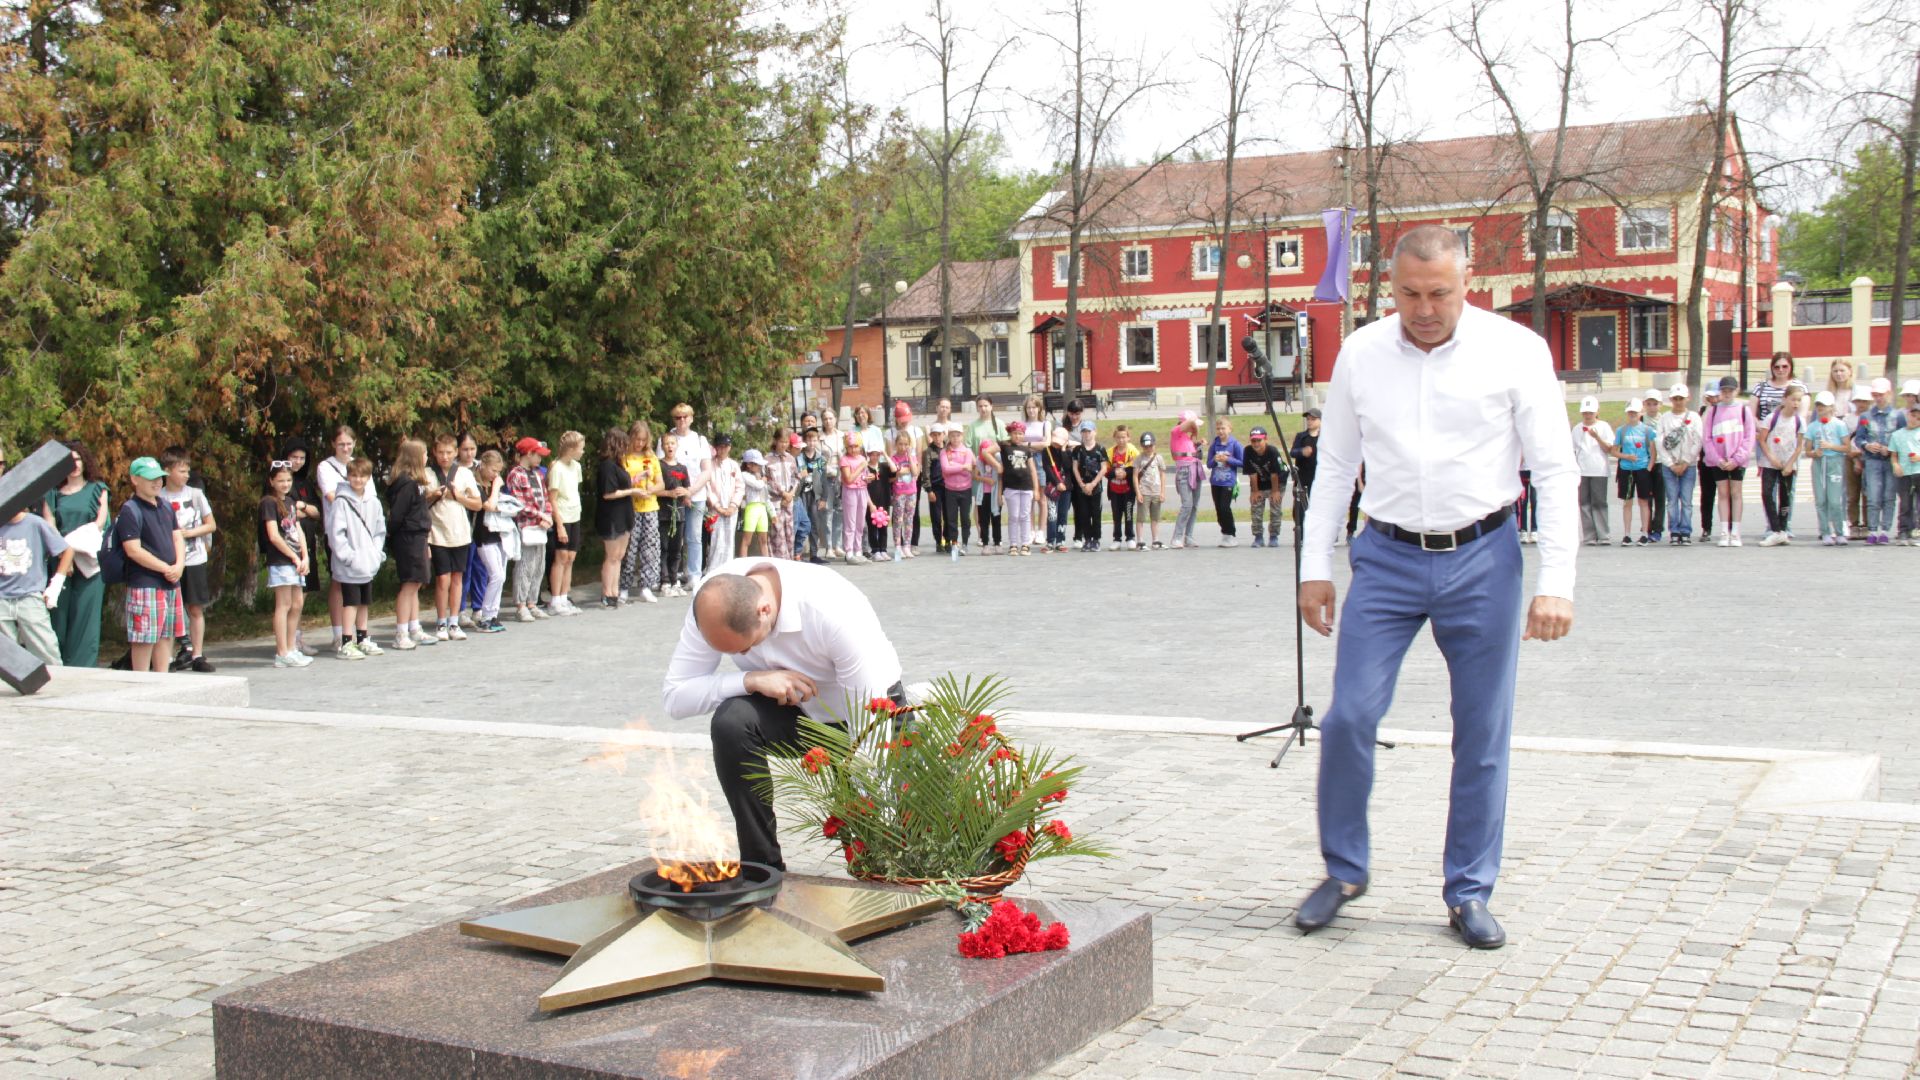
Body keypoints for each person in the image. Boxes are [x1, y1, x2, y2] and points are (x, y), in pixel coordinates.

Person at [1295, 224, 1577, 950]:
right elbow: (1334, 467)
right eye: (1410, 294)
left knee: (1482, 731)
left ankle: (1469, 889)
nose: (1424, 309)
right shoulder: (1361, 352)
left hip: (1484, 556)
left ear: (1467, 280)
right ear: (1390, 287)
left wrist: (1558, 582)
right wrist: (1314, 567)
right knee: (1348, 717)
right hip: (1385, 558)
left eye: (1440, 294)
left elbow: (1554, 470)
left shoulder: (1516, 351)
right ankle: (1344, 869)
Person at [662, 559, 904, 869]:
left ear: (764, 610)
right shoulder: (714, 599)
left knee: (875, 854)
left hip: (869, 716)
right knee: (731, 721)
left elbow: (870, 737)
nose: (741, 656)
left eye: (746, 648)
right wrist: (750, 680)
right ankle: (761, 870)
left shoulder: (832, 609)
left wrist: (874, 828)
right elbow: (675, 698)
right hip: (800, 714)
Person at [41, 440, 109, 667]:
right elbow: (49, 524)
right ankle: (56, 663)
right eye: (69, 461)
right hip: (60, 561)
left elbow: (100, 522)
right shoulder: (52, 493)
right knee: (58, 615)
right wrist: (64, 555)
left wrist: (75, 548)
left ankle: (83, 666)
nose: (75, 465)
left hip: (89, 559)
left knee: (86, 616)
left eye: (78, 459)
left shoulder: (98, 488)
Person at [1, 467, 72, 667]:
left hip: (29, 596)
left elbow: (66, 551)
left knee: (47, 651)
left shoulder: (35, 523)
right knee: (7, 657)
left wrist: (55, 584)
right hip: (1, 597)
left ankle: (58, 687)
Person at [158, 448, 218, 669]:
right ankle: (170, 655)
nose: (186, 475)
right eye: (181, 471)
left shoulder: (195, 494)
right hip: (169, 561)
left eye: (187, 470)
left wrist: (189, 533)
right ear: (167, 471)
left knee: (195, 607)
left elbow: (211, 524)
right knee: (170, 609)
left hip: (194, 558)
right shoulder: (160, 497)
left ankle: (197, 654)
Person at [327, 457, 387, 657]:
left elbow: (380, 530)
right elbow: (336, 534)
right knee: (350, 602)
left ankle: (362, 638)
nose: (358, 480)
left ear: (368, 478)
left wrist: (376, 554)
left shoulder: (374, 502)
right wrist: (349, 557)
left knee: (364, 602)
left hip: (368, 563)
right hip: (350, 565)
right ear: (348, 476)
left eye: (362, 476)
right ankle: (346, 641)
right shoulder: (341, 501)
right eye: (353, 475)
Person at [424, 435, 482, 638]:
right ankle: (441, 622)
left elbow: (477, 504)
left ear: (456, 452)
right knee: (442, 579)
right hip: (437, 534)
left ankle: (454, 622)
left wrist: (458, 496)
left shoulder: (464, 473)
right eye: (441, 452)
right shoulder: (427, 473)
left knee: (457, 578)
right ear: (434, 452)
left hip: (461, 534)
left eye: (449, 452)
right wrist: (432, 495)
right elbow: (417, 502)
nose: (445, 456)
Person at [260, 460, 311, 669]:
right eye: (280, 480)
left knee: (297, 603)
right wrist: (293, 556)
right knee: (284, 604)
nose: (285, 484)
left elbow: (298, 530)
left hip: (296, 559)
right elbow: (274, 535)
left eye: (288, 480)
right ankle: (281, 652)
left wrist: (305, 556)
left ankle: (291, 648)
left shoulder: (290, 501)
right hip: (281, 560)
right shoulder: (268, 503)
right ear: (272, 481)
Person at [385, 439, 434, 649]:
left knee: (416, 584)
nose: (427, 458)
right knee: (408, 584)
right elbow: (397, 516)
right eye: (424, 454)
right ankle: (401, 632)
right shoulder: (406, 483)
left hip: (419, 537)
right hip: (408, 538)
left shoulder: (417, 483)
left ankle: (414, 627)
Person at [315, 426, 357, 653]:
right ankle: (338, 633)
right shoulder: (326, 467)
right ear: (334, 444)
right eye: (341, 444)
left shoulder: (358, 464)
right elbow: (332, 495)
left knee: (359, 580)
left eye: (349, 443)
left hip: (359, 532)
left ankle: (357, 631)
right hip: (337, 531)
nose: (345, 448)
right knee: (339, 581)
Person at [1703, 375, 1755, 547]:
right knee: (1723, 494)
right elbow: (1707, 438)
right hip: (1718, 460)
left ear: (1736, 390)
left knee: (1736, 493)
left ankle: (1736, 532)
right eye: (1724, 390)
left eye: (1730, 390)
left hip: (1737, 460)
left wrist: (1737, 458)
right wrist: (1717, 459)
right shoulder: (1714, 411)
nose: (1727, 393)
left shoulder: (1743, 410)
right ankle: (1724, 530)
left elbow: (1749, 437)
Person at [506, 438, 554, 622]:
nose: (540, 460)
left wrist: (547, 516)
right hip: (525, 525)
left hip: (541, 526)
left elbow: (546, 497)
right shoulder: (515, 474)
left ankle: (533, 602)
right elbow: (519, 503)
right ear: (528, 454)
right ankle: (521, 605)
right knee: (525, 564)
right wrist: (539, 515)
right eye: (538, 455)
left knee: (539, 565)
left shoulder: (538, 474)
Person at [1854, 377, 1905, 545]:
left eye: (1881, 394)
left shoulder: (1898, 416)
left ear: (1889, 394)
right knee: (1873, 496)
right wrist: (1867, 445)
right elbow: (1859, 438)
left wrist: (1890, 449)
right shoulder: (1865, 416)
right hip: (1872, 461)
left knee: (1889, 496)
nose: (1878, 398)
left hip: (1890, 461)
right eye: (1875, 395)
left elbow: (1902, 438)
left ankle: (1885, 530)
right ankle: (1873, 529)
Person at [620, 421, 665, 603]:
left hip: (650, 506)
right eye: (636, 439)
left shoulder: (652, 458)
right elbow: (621, 481)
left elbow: (661, 483)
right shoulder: (625, 457)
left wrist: (652, 489)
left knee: (651, 547)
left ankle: (646, 586)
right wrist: (635, 481)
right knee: (630, 548)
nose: (639, 443)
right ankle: (624, 586)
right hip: (631, 506)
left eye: (643, 440)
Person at [667, 405, 712, 585]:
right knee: (674, 537)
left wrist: (690, 491)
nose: (682, 420)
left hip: (697, 495)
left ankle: (694, 574)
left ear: (692, 418)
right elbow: (664, 467)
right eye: (678, 417)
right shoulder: (668, 439)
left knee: (694, 537)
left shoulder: (700, 440)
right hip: (674, 495)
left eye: (685, 416)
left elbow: (707, 470)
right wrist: (680, 491)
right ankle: (672, 575)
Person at [1757, 383, 1806, 546]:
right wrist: (1771, 458)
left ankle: (1782, 530)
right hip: (1771, 463)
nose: (1796, 403)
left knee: (1785, 496)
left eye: (1799, 400)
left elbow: (1799, 446)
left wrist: (1790, 464)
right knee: (1767, 493)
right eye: (1793, 399)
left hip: (1788, 464)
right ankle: (1775, 529)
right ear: (1784, 399)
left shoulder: (1799, 421)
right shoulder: (1772, 418)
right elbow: (1762, 440)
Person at [594, 427, 637, 607]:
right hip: (611, 515)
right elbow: (609, 493)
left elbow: (623, 485)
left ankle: (615, 591)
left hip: (624, 514)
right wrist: (633, 490)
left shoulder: (618, 464)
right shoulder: (607, 465)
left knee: (619, 556)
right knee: (611, 556)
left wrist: (635, 481)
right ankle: (607, 593)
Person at [1657, 384, 1703, 545]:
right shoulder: (1664, 418)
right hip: (1669, 465)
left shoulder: (1694, 418)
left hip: (1688, 465)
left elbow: (1698, 441)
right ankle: (1674, 530)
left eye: (1681, 399)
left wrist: (1686, 461)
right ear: (1671, 399)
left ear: (1687, 399)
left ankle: (1686, 530)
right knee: (1672, 499)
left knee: (1687, 499)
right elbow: (1660, 442)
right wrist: (1670, 464)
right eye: (1675, 399)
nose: (1678, 402)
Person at [469, 451, 509, 632]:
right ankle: (484, 615)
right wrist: (496, 488)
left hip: (499, 534)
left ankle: (493, 614)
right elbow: (489, 506)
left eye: (499, 471)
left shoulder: (495, 483)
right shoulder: (476, 485)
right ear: (483, 466)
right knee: (496, 575)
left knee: (502, 576)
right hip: (483, 537)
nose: (496, 475)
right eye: (493, 470)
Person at [546, 431, 586, 615]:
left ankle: (564, 597)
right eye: (581, 448)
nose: (583, 451)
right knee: (560, 558)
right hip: (562, 517)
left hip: (574, 515)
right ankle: (555, 600)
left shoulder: (576, 467)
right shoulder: (557, 468)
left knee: (571, 558)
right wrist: (559, 525)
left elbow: (574, 490)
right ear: (571, 448)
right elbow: (552, 498)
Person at [1805, 391, 1852, 545]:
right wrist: (1815, 453)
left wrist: (1831, 446)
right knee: (1821, 499)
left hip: (1835, 462)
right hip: (1819, 464)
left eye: (1824, 405)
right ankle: (1825, 531)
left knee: (1835, 500)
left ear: (1831, 407)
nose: (1820, 408)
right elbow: (1807, 450)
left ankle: (1839, 532)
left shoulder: (1839, 425)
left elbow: (1846, 447)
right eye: (1818, 405)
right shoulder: (1812, 426)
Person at [1608, 402, 1654, 546]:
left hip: (1642, 469)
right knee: (1627, 502)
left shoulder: (1647, 430)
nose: (1632, 414)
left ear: (1640, 412)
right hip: (1626, 469)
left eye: (1635, 412)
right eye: (1630, 412)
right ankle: (1627, 534)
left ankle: (1645, 533)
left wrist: (1649, 468)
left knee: (1643, 501)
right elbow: (1614, 450)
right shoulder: (1622, 431)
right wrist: (1626, 456)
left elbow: (1653, 451)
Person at [1570, 396, 1613, 546]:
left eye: (1591, 413)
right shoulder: (1577, 429)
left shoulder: (1604, 426)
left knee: (1599, 502)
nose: (1588, 416)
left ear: (1596, 412)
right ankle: (1589, 535)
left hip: (1599, 469)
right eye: (1585, 413)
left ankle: (1603, 534)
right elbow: (1572, 450)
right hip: (1582, 470)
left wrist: (1597, 437)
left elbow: (1609, 448)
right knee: (1584, 502)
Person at [1243, 425, 1288, 549]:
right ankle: (1258, 536)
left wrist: (1275, 491)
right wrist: (1255, 491)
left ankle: (1274, 536)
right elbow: (1252, 474)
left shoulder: (1272, 451)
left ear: (1265, 439)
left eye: (1259, 440)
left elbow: (1275, 474)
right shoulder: (1248, 451)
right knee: (1256, 507)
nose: (1256, 443)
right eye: (1253, 440)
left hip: (1278, 481)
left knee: (1275, 507)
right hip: (1260, 481)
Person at [658, 434, 693, 590]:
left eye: (672, 443)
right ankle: (664, 579)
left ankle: (674, 578)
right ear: (662, 446)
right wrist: (669, 493)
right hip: (663, 512)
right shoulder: (659, 465)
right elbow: (655, 490)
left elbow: (688, 489)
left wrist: (685, 492)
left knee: (676, 548)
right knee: (663, 547)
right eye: (666, 444)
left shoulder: (682, 468)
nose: (670, 446)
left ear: (677, 445)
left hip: (679, 513)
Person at [705, 433, 743, 572]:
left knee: (729, 540)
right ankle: (713, 569)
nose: (722, 449)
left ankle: (728, 569)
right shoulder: (710, 464)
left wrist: (733, 505)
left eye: (725, 446)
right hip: (716, 508)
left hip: (731, 508)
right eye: (720, 446)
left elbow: (740, 486)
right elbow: (707, 486)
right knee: (716, 539)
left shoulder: (733, 465)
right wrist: (717, 505)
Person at [1017, 395, 1052, 544]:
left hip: (1040, 461)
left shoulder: (1045, 424)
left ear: (1039, 409)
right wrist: (1033, 444)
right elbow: (1018, 442)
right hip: (1024, 460)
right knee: (1028, 497)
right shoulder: (1021, 424)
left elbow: (1046, 443)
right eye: (1029, 408)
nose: (1031, 410)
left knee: (1042, 498)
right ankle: (1029, 530)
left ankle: (1041, 531)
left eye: (1034, 407)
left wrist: (1028, 443)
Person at [1069, 420, 1108, 552]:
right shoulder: (1078, 450)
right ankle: (1087, 539)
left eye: (1089, 431)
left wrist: (1093, 484)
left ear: (1094, 432)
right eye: (1084, 431)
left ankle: (1096, 539)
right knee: (1084, 513)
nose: (1086, 434)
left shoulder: (1100, 449)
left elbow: (1104, 468)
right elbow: (1075, 467)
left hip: (1095, 487)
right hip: (1082, 487)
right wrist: (1081, 484)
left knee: (1096, 514)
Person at [938, 425, 976, 560]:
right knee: (951, 519)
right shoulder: (944, 452)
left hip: (965, 489)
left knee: (965, 518)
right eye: (952, 435)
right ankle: (954, 543)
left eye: (958, 435)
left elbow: (969, 467)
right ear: (949, 436)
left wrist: (954, 465)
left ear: (962, 436)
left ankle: (965, 544)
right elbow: (946, 469)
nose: (955, 438)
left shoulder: (968, 451)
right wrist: (961, 467)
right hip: (950, 490)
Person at [1207, 417, 1244, 548]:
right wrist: (1215, 459)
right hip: (1216, 481)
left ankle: (1231, 533)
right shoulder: (1215, 444)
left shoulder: (1235, 444)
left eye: (1223, 428)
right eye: (1218, 429)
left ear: (1230, 429)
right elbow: (1209, 464)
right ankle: (1225, 533)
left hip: (1228, 481)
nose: (1220, 431)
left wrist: (1228, 459)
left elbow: (1243, 462)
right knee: (1218, 509)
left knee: (1224, 507)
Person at [1170, 410, 1204, 549]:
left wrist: (1197, 443)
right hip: (1184, 471)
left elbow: (1189, 452)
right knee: (1187, 505)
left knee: (1194, 505)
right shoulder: (1176, 432)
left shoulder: (1187, 437)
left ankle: (1188, 536)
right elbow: (1188, 423)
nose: (1195, 427)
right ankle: (1176, 537)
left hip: (1195, 468)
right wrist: (1192, 423)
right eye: (1194, 424)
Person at [836, 431, 871, 565]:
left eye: (856, 446)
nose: (853, 449)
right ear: (846, 446)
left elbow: (864, 476)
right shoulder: (845, 460)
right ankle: (849, 552)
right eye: (850, 446)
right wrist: (861, 467)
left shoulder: (862, 459)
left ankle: (858, 550)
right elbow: (849, 479)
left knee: (860, 522)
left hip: (862, 490)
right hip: (850, 492)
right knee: (850, 522)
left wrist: (868, 479)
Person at [766, 427, 800, 561]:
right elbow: (768, 481)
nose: (784, 445)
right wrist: (782, 493)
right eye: (781, 441)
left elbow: (796, 477)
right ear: (775, 441)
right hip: (776, 501)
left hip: (789, 500)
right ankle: (778, 562)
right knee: (777, 534)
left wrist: (791, 493)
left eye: (786, 442)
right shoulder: (768, 459)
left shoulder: (790, 458)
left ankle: (789, 560)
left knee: (790, 532)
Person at [1639, 389, 1668, 541]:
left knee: (1660, 497)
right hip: (1644, 463)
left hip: (1661, 462)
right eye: (1649, 404)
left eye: (1655, 404)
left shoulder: (1664, 420)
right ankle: (1647, 526)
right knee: (1645, 497)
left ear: (1660, 405)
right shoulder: (1640, 420)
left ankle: (1657, 528)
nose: (1652, 407)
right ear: (1644, 404)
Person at [797, 427, 829, 564]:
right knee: (801, 523)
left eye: (814, 440)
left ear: (817, 441)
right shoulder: (799, 458)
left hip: (815, 495)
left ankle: (814, 554)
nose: (811, 442)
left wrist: (824, 498)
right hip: (801, 494)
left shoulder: (820, 459)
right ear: (805, 441)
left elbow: (824, 480)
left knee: (815, 524)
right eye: (809, 440)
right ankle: (798, 552)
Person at [817, 409, 846, 559]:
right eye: (825, 419)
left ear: (836, 419)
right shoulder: (819, 439)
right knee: (827, 512)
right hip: (827, 478)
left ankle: (838, 545)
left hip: (842, 477)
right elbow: (817, 461)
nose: (828, 421)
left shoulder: (842, 436)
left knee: (840, 512)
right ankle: (828, 546)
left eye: (830, 418)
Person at [1891, 400, 1920, 545]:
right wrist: (1895, 465)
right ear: (1908, 415)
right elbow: (1894, 454)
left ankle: (1917, 532)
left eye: (1918, 418)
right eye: (1913, 416)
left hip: (1918, 471)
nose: (1915, 420)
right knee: (1905, 503)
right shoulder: (1898, 435)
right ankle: (1903, 530)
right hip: (1905, 473)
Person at [889, 431, 920, 560]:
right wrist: (899, 472)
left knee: (909, 520)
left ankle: (907, 545)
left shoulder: (911, 457)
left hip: (911, 492)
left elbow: (915, 472)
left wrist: (910, 457)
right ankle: (897, 546)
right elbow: (893, 476)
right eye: (900, 444)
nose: (903, 447)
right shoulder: (893, 459)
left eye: (905, 444)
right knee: (898, 520)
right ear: (896, 445)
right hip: (899, 493)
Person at [1041, 426, 1072, 553]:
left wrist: (1064, 450)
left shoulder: (1068, 452)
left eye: (1059, 442)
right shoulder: (1047, 450)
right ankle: (1050, 541)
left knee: (1063, 515)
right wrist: (1057, 482)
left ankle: (1060, 540)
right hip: (1053, 487)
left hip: (1067, 487)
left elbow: (1068, 467)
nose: (1056, 444)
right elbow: (1047, 468)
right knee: (1052, 515)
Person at [1697, 384, 1722, 541]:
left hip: (1722, 458)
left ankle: (1728, 526)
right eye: (1709, 397)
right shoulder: (1703, 412)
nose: (1713, 400)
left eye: (1716, 396)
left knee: (1726, 494)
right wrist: (1708, 408)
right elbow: (1700, 431)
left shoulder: (1726, 411)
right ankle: (1706, 527)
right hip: (1706, 459)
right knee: (1707, 495)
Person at [1290, 409, 1321, 537]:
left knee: (1319, 505)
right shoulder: (1301, 436)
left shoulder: (1325, 437)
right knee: (1299, 505)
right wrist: (1302, 452)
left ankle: (1319, 533)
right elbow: (1292, 452)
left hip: (1319, 475)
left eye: (1313, 419)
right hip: (1303, 475)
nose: (1309, 422)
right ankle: (1300, 533)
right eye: (1308, 419)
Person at [1107, 425, 1137, 550]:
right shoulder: (1110, 452)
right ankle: (1117, 539)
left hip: (1128, 490)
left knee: (1128, 514)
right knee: (1116, 515)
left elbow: (1137, 469)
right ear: (1115, 438)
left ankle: (1130, 537)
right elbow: (1105, 470)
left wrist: (1126, 473)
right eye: (1118, 438)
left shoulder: (1133, 452)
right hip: (1114, 490)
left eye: (1124, 437)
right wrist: (1114, 473)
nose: (1121, 440)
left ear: (1128, 438)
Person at [972, 434, 1003, 555]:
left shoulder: (998, 460)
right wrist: (986, 480)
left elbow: (1000, 478)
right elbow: (975, 476)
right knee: (983, 520)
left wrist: (1000, 495)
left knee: (996, 518)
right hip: (983, 494)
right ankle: (985, 544)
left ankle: (997, 542)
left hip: (995, 494)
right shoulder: (979, 460)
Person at [1135, 431, 1165, 550]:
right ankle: (1140, 540)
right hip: (1144, 492)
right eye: (1145, 446)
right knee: (1141, 518)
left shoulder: (1159, 458)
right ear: (1142, 446)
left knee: (1155, 518)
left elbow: (1162, 475)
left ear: (1154, 445)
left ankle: (1155, 539)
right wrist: (1138, 492)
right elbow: (1135, 476)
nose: (1148, 448)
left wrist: (1162, 492)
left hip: (1156, 492)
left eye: (1150, 445)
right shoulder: (1139, 459)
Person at [1752, 351, 1796, 427]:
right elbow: (1751, 415)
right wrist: (1763, 430)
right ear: (1772, 368)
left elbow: (1802, 415)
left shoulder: (1799, 387)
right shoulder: (1760, 387)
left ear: (1791, 367)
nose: (1781, 370)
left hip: (1789, 432)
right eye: (1777, 367)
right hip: (1764, 432)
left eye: (1785, 366)